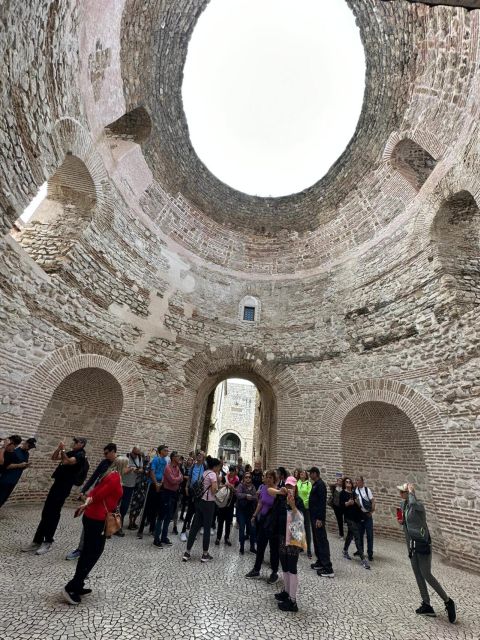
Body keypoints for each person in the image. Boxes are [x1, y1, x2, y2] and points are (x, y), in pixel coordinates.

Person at [62, 457, 126, 605]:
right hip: (97, 519)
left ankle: (78, 584)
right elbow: (97, 495)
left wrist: (85, 505)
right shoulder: (115, 478)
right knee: (92, 552)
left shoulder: (110, 475)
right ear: (124, 466)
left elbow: (93, 492)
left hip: (95, 517)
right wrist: (86, 505)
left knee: (91, 551)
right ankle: (71, 587)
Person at [397, 483, 456, 622]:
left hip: (423, 545)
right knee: (418, 574)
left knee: (426, 573)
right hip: (412, 545)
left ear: (409, 493)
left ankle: (448, 601)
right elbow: (408, 524)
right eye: (400, 492)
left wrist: (412, 491)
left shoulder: (418, 505)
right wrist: (402, 522)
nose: (400, 494)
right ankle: (427, 605)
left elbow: (413, 504)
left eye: (403, 491)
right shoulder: (403, 504)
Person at [22, 437, 87, 555]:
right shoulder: (72, 452)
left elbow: (67, 462)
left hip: (64, 486)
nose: (73, 443)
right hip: (58, 483)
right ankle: (37, 540)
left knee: (54, 512)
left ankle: (48, 541)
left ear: (81, 444)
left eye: (75, 442)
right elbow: (54, 458)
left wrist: (62, 451)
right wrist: (59, 449)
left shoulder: (81, 455)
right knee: (46, 511)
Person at [66, 443, 117, 560]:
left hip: (107, 503)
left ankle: (91, 551)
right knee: (88, 525)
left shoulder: (117, 465)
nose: (105, 456)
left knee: (100, 528)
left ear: (113, 451)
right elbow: (94, 476)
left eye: (106, 453)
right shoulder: (104, 463)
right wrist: (84, 490)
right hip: (96, 498)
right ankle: (81, 549)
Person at [271, 476, 304, 613]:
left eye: (292, 486)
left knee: (292, 567)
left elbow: (301, 519)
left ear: (296, 487)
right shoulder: (281, 497)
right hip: (282, 534)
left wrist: (293, 506)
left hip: (294, 536)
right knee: (284, 565)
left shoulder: (299, 501)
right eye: (288, 486)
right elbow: (268, 491)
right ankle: (286, 591)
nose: (290, 488)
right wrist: (280, 492)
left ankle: (293, 601)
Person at [182, 455, 221, 563]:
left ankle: (187, 552)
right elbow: (213, 490)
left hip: (200, 502)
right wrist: (218, 488)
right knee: (207, 528)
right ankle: (204, 554)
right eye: (219, 467)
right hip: (209, 504)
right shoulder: (213, 474)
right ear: (215, 466)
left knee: (195, 527)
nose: (219, 469)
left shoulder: (205, 472)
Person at [245, 470, 277, 581]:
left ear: (274, 479)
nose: (268, 479)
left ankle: (274, 572)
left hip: (273, 523)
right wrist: (254, 515)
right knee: (261, 545)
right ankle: (256, 569)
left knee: (273, 549)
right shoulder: (263, 488)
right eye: (266, 477)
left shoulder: (276, 491)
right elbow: (260, 503)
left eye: (270, 477)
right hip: (263, 521)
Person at [137, 444, 169, 539]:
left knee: (156, 507)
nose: (167, 452)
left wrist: (161, 483)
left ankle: (152, 529)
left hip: (160, 484)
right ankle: (140, 530)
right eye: (165, 450)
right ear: (160, 451)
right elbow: (152, 471)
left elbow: (164, 473)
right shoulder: (155, 459)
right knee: (147, 507)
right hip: (152, 485)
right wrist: (156, 483)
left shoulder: (165, 461)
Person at [308, 466, 334, 578]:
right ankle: (320, 562)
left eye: (310, 473)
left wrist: (320, 519)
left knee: (322, 541)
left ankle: (328, 568)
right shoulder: (316, 484)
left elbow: (322, 504)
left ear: (315, 473)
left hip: (318, 519)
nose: (309, 475)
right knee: (317, 540)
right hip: (313, 517)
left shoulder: (321, 485)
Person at [153, 451, 183, 547]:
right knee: (162, 516)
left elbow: (180, 478)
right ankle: (156, 539)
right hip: (166, 493)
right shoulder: (167, 468)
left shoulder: (177, 468)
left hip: (173, 494)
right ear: (173, 458)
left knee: (168, 516)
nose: (179, 458)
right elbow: (173, 480)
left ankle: (164, 537)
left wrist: (177, 479)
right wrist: (178, 478)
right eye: (178, 456)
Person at [340, 477, 370, 569]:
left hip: (356, 517)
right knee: (357, 536)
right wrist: (347, 503)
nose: (348, 483)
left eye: (350, 482)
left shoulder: (354, 493)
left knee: (350, 535)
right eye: (346, 482)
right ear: (344, 484)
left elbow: (359, 507)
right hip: (349, 518)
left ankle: (345, 550)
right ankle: (363, 559)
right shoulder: (343, 493)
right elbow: (341, 505)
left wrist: (357, 503)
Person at [0, 436, 34, 508]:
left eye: (31, 447)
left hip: (14, 479)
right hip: (6, 477)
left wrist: (25, 466)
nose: (29, 448)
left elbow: (21, 467)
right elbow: (6, 465)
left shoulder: (27, 454)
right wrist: (20, 465)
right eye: (29, 446)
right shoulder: (14, 452)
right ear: (25, 443)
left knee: (4, 497)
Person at [180, 450, 206, 542]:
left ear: (204, 457)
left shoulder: (205, 467)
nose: (199, 455)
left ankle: (191, 532)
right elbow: (190, 477)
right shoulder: (193, 466)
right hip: (191, 491)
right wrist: (186, 487)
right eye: (198, 454)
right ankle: (183, 531)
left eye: (201, 455)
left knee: (196, 513)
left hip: (199, 493)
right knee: (189, 512)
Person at [215, 465, 239, 546]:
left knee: (228, 522)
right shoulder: (224, 477)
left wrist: (232, 488)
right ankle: (218, 537)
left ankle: (227, 538)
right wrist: (225, 485)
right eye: (231, 471)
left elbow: (237, 491)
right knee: (220, 521)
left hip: (230, 503)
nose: (231, 473)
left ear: (235, 472)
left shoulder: (237, 480)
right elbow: (218, 486)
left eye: (233, 471)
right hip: (222, 502)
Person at [236, 470, 257, 554]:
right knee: (242, 528)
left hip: (250, 511)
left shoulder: (253, 486)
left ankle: (252, 547)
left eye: (249, 477)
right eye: (246, 477)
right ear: (243, 478)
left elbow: (255, 497)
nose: (248, 479)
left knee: (252, 529)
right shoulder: (241, 486)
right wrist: (246, 496)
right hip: (242, 511)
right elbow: (238, 494)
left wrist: (250, 497)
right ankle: (242, 547)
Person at [355, 476, 375, 561]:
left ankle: (370, 553)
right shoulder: (355, 491)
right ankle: (361, 552)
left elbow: (373, 501)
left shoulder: (367, 490)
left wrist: (371, 512)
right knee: (360, 535)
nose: (356, 482)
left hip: (368, 516)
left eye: (358, 480)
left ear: (362, 482)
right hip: (360, 515)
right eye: (356, 480)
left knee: (369, 535)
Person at [128, 451, 149, 530]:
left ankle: (134, 522)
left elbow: (147, 473)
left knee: (139, 506)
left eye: (146, 457)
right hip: (137, 488)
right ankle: (130, 523)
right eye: (143, 457)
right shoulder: (138, 465)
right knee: (134, 505)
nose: (145, 458)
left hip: (144, 489)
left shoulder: (147, 466)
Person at [296, 469, 312, 558]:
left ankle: (309, 549)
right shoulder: (297, 482)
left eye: (304, 473)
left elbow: (309, 495)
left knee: (307, 527)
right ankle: (300, 546)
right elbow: (296, 493)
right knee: (299, 527)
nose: (302, 473)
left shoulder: (308, 484)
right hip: (298, 508)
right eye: (300, 472)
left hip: (305, 508)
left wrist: (303, 503)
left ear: (306, 475)